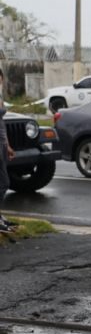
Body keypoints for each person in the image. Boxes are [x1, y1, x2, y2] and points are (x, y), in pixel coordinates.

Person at [0, 68, 15, 234]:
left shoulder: (1, 98)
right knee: (4, 182)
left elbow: (2, 125)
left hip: (2, 144)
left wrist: (8, 145)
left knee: (3, 182)